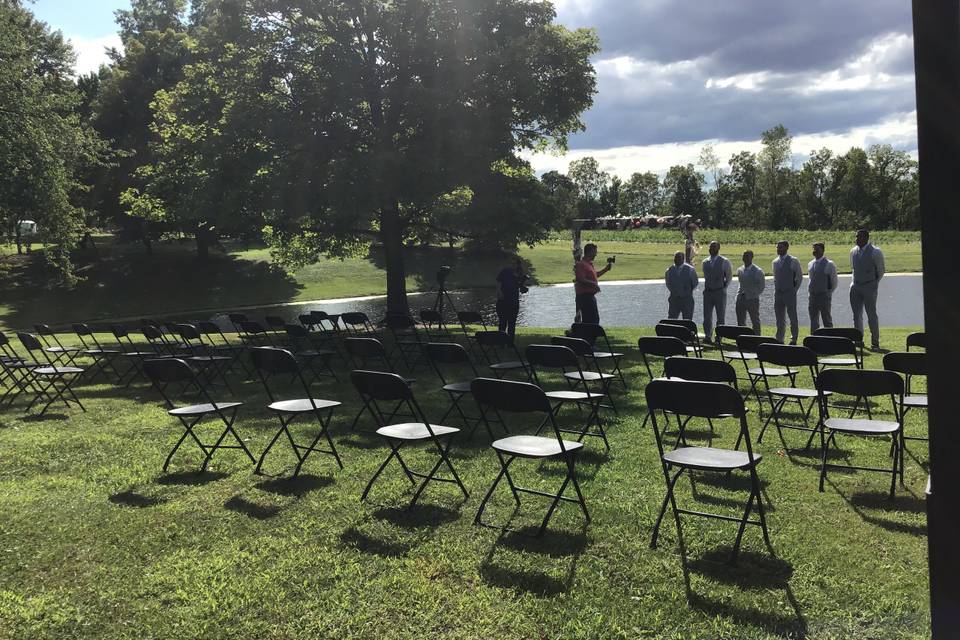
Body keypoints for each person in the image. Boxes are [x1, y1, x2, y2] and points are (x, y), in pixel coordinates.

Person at [849, 228, 885, 350]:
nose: (856, 239)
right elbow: (853, 268)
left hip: (869, 286)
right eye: (856, 236)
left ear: (866, 238)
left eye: (858, 237)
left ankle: (875, 342)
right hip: (855, 286)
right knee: (856, 315)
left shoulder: (876, 252)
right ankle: (858, 340)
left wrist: (873, 284)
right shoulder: (853, 251)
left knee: (871, 315)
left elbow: (880, 271)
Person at [701, 241, 732, 343]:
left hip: (719, 292)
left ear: (718, 248)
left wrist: (723, 287)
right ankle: (707, 335)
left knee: (720, 316)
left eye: (713, 247)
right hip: (708, 292)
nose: (711, 249)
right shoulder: (705, 262)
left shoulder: (724, 261)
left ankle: (719, 336)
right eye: (710, 247)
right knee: (707, 316)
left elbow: (728, 277)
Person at [772, 240, 803, 344]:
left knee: (792, 317)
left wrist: (794, 290)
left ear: (786, 248)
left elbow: (799, 277)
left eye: (780, 247)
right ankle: (779, 338)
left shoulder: (794, 261)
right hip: (778, 293)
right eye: (777, 247)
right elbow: (775, 278)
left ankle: (793, 338)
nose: (778, 249)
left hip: (789, 292)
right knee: (779, 318)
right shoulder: (775, 262)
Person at [574, 243, 612, 324]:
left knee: (594, 319)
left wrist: (605, 269)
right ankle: (588, 336)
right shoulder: (581, 264)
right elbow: (580, 279)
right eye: (595, 252)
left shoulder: (589, 264)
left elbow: (595, 276)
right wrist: (594, 284)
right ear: (590, 252)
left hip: (590, 297)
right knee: (590, 320)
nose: (596, 255)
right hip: (584, 297)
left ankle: (590, 335)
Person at [808, 242, 838, 332]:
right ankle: (814, 340)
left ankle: (829, 340)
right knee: (813, 321)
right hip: (812, 296)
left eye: (817, 249)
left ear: (823, 250)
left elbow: (834, 282)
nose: (815, 251)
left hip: (824, 296)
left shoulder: (829, 264)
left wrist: (828, 293)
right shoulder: (810, 264)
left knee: (827, 320)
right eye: (814, 249)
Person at [495, 258, 527, 341]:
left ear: (518, 265)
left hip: (513, 302)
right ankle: (501, 342)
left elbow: (521, 288)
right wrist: (499, 292)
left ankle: (510, 343)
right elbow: (498, 282)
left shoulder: (520, 274)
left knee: (512, 323)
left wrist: (523, 288)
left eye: (515, 264)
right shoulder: (505, 271)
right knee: (502, 322)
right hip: (503, 301)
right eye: (511, 263)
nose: (513, 265)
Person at [735, 250, 765, 333]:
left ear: (752, 257)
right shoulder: (740, 270)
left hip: (752, 299)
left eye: (747, 256)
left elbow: (761, 287)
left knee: (755, 320)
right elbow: (741, 284)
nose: (745, 258)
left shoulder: (758, 271)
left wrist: (754, 294)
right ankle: (742, 338)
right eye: (744, 256)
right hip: (740, 298)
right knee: (740, 321)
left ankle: (757, 337)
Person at [665, 251, 699, 320]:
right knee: (672, 320)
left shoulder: (690, 270)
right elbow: (668, 284)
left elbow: (695, 283)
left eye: (679, 257)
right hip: (674, 300)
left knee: (687, 320)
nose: (677, 259)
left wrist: (686, 291)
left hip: (687, 300)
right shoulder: (669, 271)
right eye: (675, 257)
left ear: (683, 259)